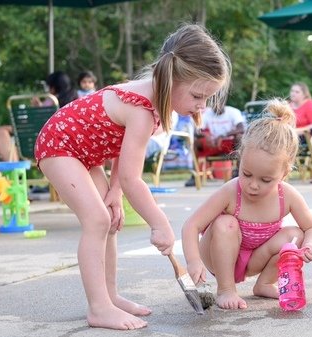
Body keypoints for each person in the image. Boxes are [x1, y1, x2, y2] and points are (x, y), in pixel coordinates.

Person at [34, 24, 231, 330]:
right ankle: (98, 308)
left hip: (85, 152)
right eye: (197, 96)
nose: (201, 106)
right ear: (172, 79)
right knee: (97, 220)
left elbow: (115, 145)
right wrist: (160, 223)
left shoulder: (151, 97)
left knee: (110, 222)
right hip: (60, 145)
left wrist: (113, 189)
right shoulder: (142, 109)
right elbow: (132, 178)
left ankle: (109, 297)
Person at [181, 99, 312, 310]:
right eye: (246, 174)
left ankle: (264, 283)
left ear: (284, 173)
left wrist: (310, 244)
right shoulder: (231, 191)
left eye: (266, 180)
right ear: (240, 158)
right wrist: (193, 261)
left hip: (254, 260)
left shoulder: (288, 196)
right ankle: (226, 288)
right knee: (225, 223)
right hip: (218, 256)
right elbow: (192, 226)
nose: (253, 185)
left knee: (296, 234)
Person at [184, 105, 245, 187]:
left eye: (219, 101)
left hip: (229, 144)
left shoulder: (233, 111)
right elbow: (197, 131)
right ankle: (195, 175)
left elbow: (241, 129)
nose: (217, 105)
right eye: (214, 102)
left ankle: (239, 174)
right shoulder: (207, 113)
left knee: (240, 138)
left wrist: (223, 135)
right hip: (213, 144)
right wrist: (205, 135)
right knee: (197, 142)